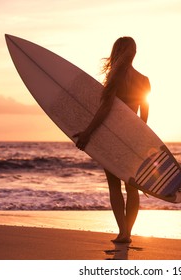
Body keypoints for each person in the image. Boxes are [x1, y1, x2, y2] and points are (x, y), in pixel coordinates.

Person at [73, 37, 151, 243]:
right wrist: (141, 144)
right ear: (134, 52)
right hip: (132, 137)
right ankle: (128, 233)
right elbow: (144, 120)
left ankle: (122, 231)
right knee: (132, 186)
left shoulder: (115, 76)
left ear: (116, 51)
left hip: (110, 136)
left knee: (114, 186)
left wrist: (88, 133)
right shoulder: (144, 80)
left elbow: (105, 109)